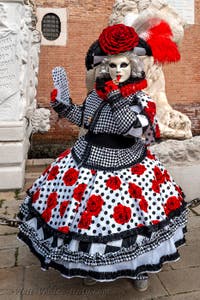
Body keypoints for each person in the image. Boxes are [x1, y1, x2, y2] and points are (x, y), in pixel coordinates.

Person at [18, 23, 187, 292]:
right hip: (87, 161)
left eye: (123, 65)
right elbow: (86, 121)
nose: (117, 71)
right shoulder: (97, 96)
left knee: (135, 223)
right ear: (104, 67)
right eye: (112, 66)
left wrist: (117, 98)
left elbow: (136, 130)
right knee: (91, 222)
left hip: (127, 167)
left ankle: (140, 268)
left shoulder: (141, 99)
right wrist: (64, 106)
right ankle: (93, 266)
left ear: (133, 67)